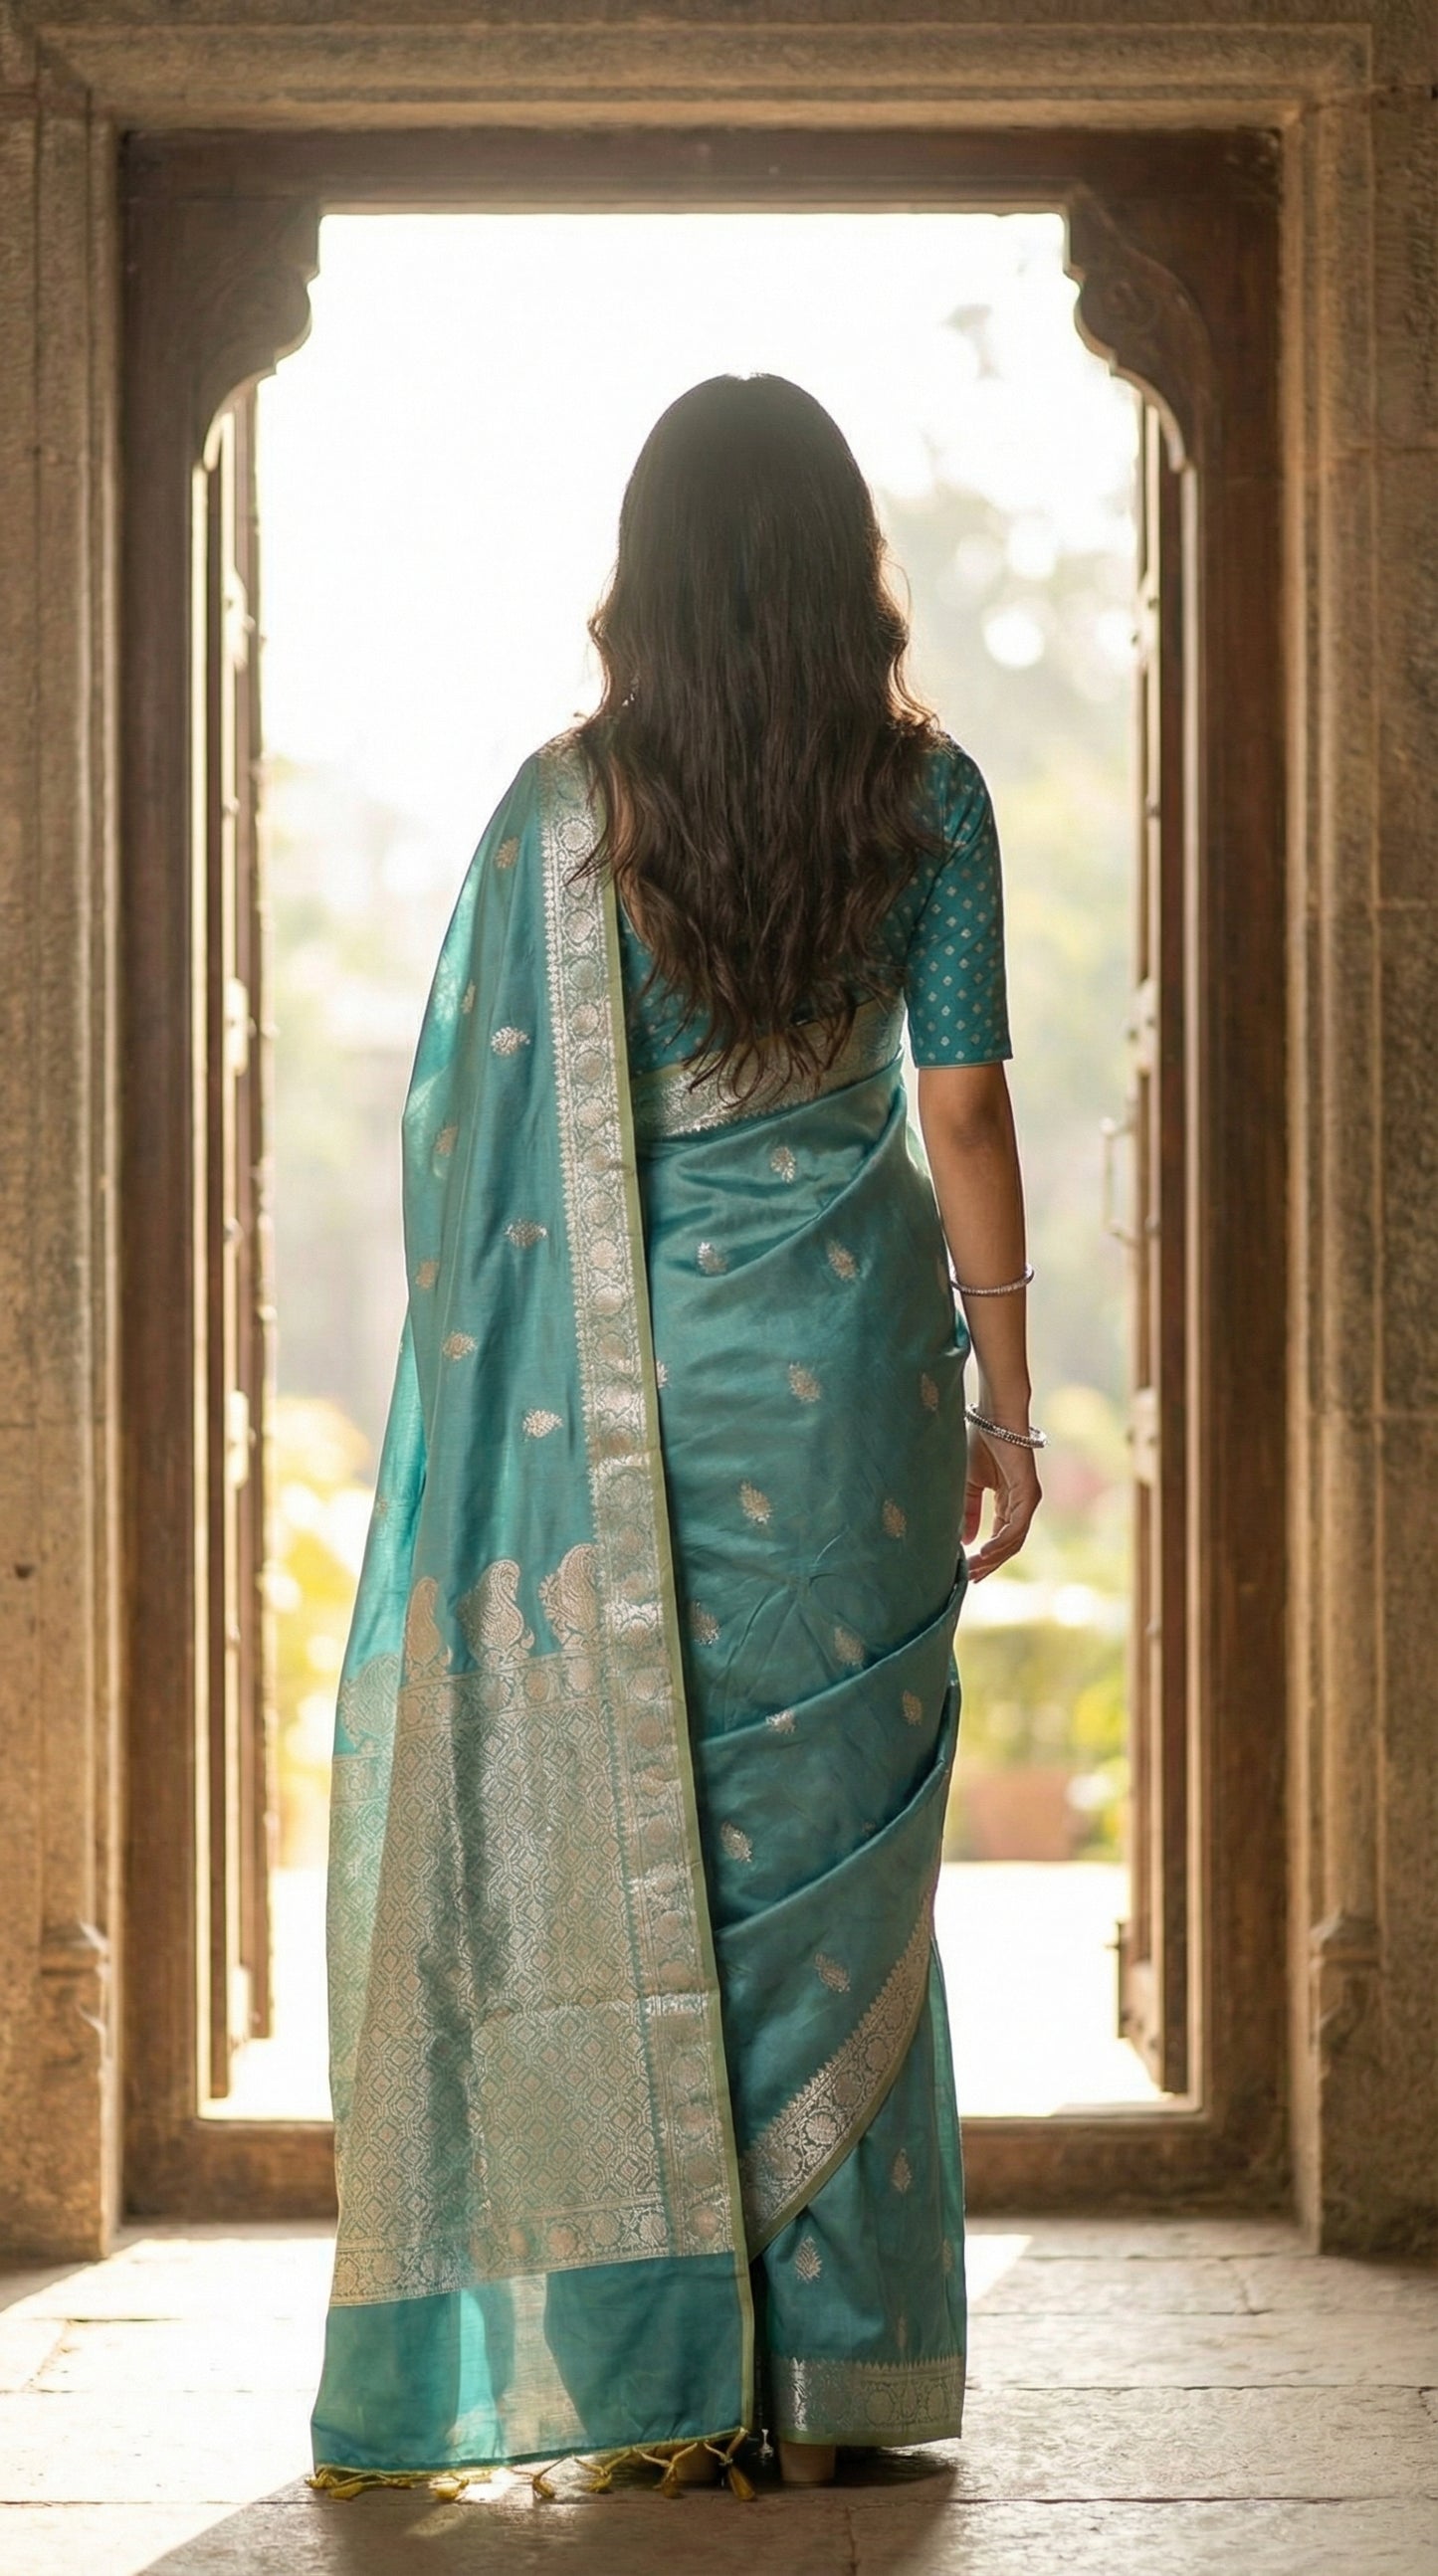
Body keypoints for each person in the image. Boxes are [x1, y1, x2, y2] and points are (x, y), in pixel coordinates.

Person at [309, 373, 1042, 2502]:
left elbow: (486, 1143)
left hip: (640, 1416)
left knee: (668, 1857)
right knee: (842, 1858)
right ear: (846, 570)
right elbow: (970, 1110)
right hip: (860, 1401)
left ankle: (663, 2366)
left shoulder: (568, 810)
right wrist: (1008, 1387)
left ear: (648, 574)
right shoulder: (936, 802)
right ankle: (824, 2374)